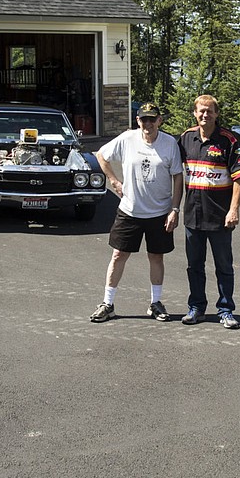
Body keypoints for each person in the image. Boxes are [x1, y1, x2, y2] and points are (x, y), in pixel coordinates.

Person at [89, 102, 183, 323]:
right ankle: (107, 304)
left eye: (152, 119)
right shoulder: (127, 139)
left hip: (159, 212)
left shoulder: (170, 143)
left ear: (160, 120)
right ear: (138, 121)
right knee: (118, 255)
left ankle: (156, 303)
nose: (148, 123)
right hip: (130, 210)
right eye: (143, 119)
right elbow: (102, 155)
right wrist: (113, 180)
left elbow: (178, 176)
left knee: (156, 257)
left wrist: (175, 209)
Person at [177, 94, 240, 329]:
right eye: (201, 111)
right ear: (195, 113)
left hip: (220, 217)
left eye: (209, 111)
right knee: (194, 266)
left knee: (224, 267)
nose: (205, 115)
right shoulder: (186, 139)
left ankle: (226, 310)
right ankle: (196, 307)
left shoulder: (229, 141)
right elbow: (174, 172)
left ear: (216, 114)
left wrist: (234, 210)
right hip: (193, 216)